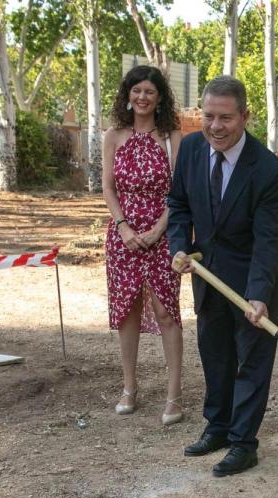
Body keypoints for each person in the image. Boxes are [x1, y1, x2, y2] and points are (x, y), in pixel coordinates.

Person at [167, 76, 278, 477]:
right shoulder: (190, 149)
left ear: (245, 116)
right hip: (207, 276)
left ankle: (243, 443)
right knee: (215, 356)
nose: (215, 126)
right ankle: (218, 427)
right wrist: (178, 246)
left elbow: (267, 240)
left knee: (252, 363)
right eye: (208, 116)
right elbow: (178, 204)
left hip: (255, 281)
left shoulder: (269, 171)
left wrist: (259, 295)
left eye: (225, 118)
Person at [102, 65, 184, 426]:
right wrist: (123, 227)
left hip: (162, 235)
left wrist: (158, 229)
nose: (142, 97)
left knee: (166, 311)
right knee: (128, 310)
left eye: (149, 91)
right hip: (123, 237)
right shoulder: (113, 135)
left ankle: (174, 394)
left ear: (160, 97)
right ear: (127, 95)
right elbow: (108, 187)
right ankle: (129, 388)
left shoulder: (172, 136)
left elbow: (179, 191)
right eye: (136, 91)